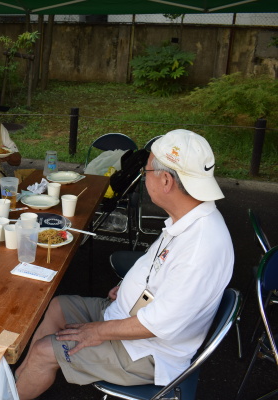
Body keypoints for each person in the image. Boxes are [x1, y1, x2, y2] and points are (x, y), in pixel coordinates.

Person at [14, 129, 234, 399]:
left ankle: (24, 379)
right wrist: (128, 284)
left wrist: (99, 332)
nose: (144, 177)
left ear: (165, 180)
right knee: (58, 307)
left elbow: (158, 325)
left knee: (43, 351)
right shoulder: (188, 217)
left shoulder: (202, 246)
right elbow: (160, 269)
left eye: (146, 171)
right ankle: (20, 382)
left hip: (149, 350)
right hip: (126, 315)